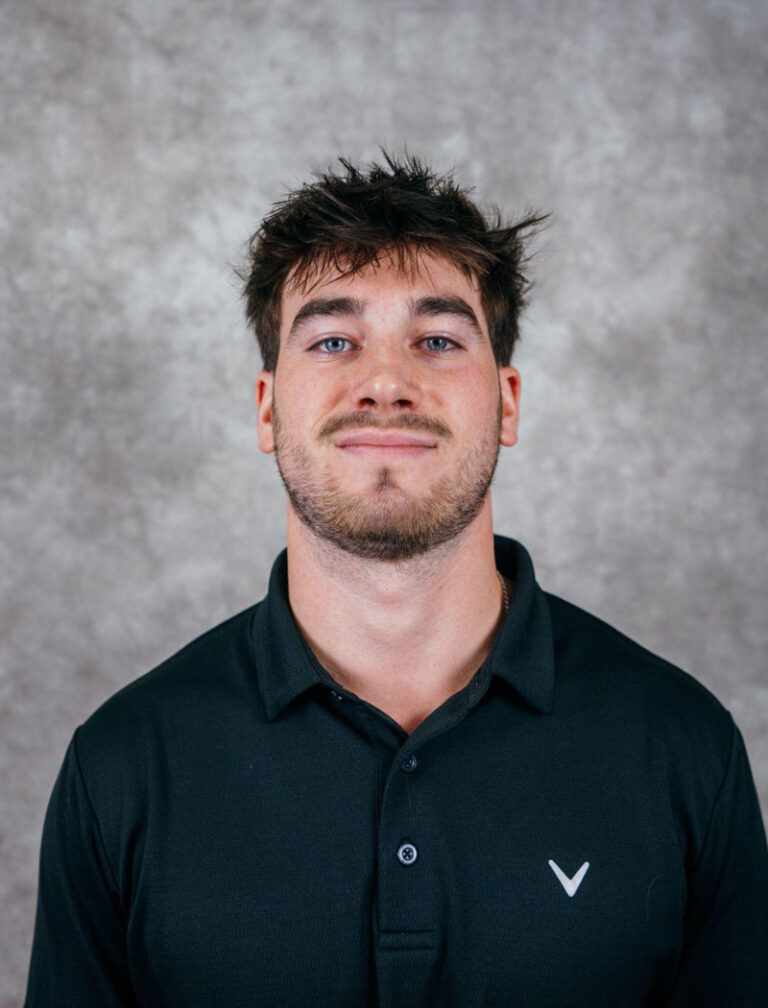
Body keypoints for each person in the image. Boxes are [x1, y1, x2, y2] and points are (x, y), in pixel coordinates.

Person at [24, 152, 768, 1007]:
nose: (385, 384)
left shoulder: (682, 747)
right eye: (334, 341)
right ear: (267, 408)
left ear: (508, 402)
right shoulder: (122, 765)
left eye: (438, 340)